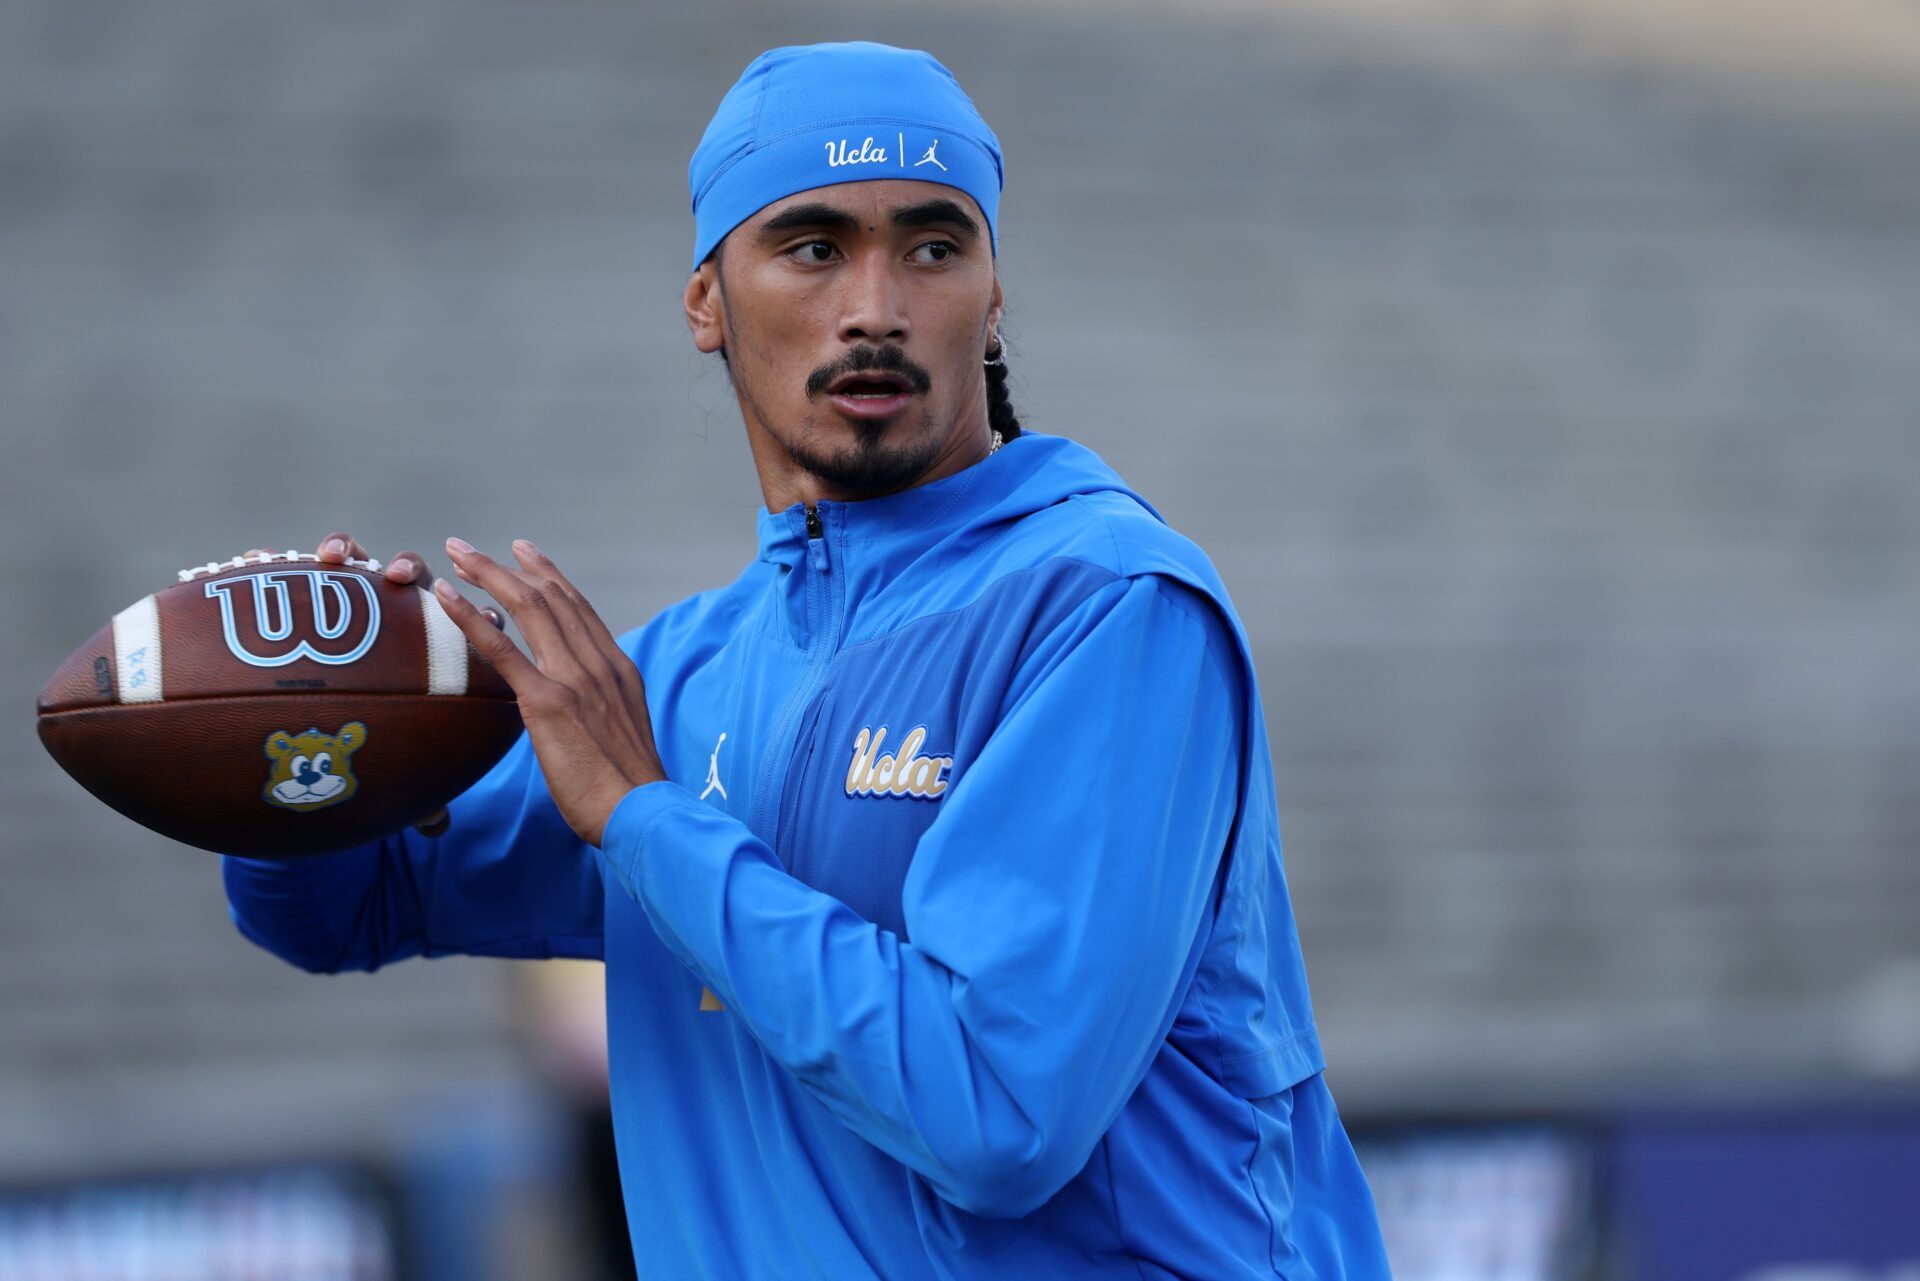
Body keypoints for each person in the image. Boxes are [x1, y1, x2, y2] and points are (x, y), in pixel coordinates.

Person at [222, 40, 1392, 1278]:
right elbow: (346, 903)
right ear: (706, 304)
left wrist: (646, 820)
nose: (877, 306)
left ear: (993, 297)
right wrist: (292, 717)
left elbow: (999, 1113)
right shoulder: (676, 679)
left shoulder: (1109, 609)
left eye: (934, 247)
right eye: (814, 246)